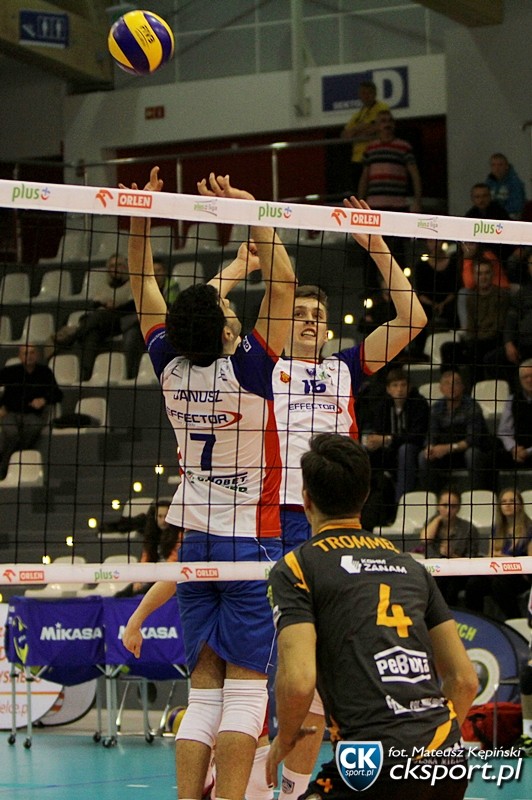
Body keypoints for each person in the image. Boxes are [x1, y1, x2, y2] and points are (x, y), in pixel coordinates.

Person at [124, 193, 427, 800]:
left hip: (326, 528)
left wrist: (377, 246)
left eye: (319, 315)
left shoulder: (344, 369)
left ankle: (289, 789)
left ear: (329, 327)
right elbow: (195, 322)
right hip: (265, 525)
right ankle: (244, 781)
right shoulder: (257, 367)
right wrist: (244, 262)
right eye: (302, 312)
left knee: (312, 682)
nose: (309, 320)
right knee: (258, 680)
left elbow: (413, 318)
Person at [124, 166, 297, 800]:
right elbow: (284, 283)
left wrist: (140, 216)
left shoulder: (168, 366)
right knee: (247, 695)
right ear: (227, 332)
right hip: (250, 542)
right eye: (229, 308)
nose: (232, 308)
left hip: (194, 542)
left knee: (203, 694)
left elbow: (142, 282)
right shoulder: (250, 372)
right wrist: (254, 209)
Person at [266, 433, 478, 800]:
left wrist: (284, 739)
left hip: (371, 762)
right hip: (447, 759)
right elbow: (464, 681)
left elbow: (299, 680)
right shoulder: (412, 568)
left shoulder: (297, 567)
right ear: (364, 496)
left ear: (306, 499)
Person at [362, 368, 429, 505]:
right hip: (388, 451)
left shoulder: (419, 403)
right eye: (395, 385)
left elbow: (417, 436)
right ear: (388, 389)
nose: (399, 389)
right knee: (364, 451)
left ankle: (401, 503)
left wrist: (387, 439)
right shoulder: (383, 406)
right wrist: (372, 442)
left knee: (405, 450)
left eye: (403, 385)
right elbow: (378, 431)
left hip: (413, 449)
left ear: (409, 387)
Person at [418, 370, 491, 493]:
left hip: (467, 452)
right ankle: (431, 497)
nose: (451, 387)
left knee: (472, 454)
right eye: (447, 383)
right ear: (441, 388)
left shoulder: (472, 406)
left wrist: (447, 448)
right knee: (423, 456)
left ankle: (477, 495)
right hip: (446, 455)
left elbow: (472, 439)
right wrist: (430, 447)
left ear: (462, 387)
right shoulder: (436, 407)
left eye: (456, 383)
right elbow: (431, 434)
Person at [441, 257, 510, 386]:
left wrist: (474, 339)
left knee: (475, 349)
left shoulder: (502, 295)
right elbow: (471, 325)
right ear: (474, 276)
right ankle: (451, 386)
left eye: (486, 273)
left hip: (494, 340)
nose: (483, 277)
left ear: (492, 274)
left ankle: (476, 388)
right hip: (475, 340)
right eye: (479, 274)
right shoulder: (471, 297)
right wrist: (470, 339)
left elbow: (498, 326)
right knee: (447, 348)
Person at [464, 488, 532, 619]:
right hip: (498, 573)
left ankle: (515, 620)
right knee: (474, 583)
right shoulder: (497, 529)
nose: (507, 505)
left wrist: (505, 558)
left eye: (512, 501)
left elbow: (530, 562)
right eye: (504, 502)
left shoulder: (530, 529)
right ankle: (476, 622)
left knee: (499, 584)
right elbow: (491, 555)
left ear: (520, 505)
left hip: (520, 575)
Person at [0, 343, 63, 479]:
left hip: (33, 415)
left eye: (32, 352)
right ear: (20, 356)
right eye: (25, 353)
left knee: (34, 427)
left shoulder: (45, 372)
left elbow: (58, 394)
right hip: (10, 413)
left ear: (37, 355)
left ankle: (4, 465)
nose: (29, 356)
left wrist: (44, 400)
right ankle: (9, 465)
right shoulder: (10, 371)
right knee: (12, 433)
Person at [418, 487, 479, 605]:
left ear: (459, 508)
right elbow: (425, 539)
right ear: (438, 506)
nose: (448, 510)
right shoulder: (432, 524)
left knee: (452, 584)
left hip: (458, 572)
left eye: (453, 506)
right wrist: (438, 519)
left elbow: (472, 562)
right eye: (444, 505)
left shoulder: (468, 529)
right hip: (435, 571)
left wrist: (452, 556)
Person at [358, 110, 422, 214]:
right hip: (374, 204)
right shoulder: (370, 148)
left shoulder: (404, 147)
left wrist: (417, 201)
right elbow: (364, 178)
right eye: (383, 121)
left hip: (398, 204)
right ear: (377, 126)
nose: (387, 124)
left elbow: (415, 175)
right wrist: (360, 203)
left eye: (390, 121)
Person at [409, 238, 461, 360]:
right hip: (428, 303)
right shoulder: (421, 266)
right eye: (431, 241)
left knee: (453, 312)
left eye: (437, 241)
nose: (434, 244)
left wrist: (443, 304)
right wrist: (433, 305)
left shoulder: (453, 263)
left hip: (449, 302)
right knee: (419, 315)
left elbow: (455, 289)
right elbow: (420, 293)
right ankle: (420, 352)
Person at [484, 262, 532, 390]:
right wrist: (508, 343)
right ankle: (509, 394)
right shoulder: (523, 293)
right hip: (523, 343)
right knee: (491, 360)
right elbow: (510, 320)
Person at [340, 80, 389, 193]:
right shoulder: (359, 114)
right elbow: (344, 135)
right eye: (363, 93)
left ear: (375, 94)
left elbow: (377, 127)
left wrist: (355, 130)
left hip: (374, 157)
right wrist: (363, 128)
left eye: (369, 93)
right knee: (358, 192)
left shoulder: (382, 108)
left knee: (374, 192)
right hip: (357, 159)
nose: (366, 96)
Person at [497, 359, 532, 469]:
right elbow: (504, 432)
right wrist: (514, 448)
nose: (529, 380)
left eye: (531, 376)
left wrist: (528, 452)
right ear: (520, 380)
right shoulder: (512, 400)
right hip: (518, 451)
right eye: (525, 377)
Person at [486, 152, 526, 220]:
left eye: (500, 165)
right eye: (493, 165)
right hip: (492, 218)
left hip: (511, 219)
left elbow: (516, 206)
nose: (497, 168)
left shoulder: (515, 183)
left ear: (507, 166)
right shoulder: (489, 182)